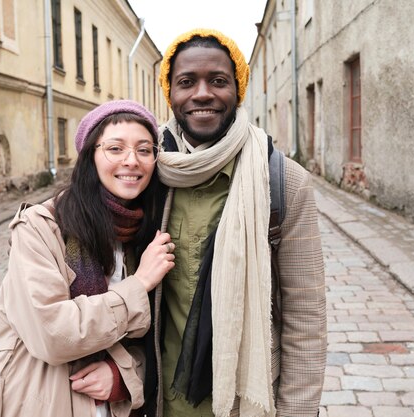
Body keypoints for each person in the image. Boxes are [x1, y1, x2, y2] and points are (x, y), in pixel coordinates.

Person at [144, 29, 327, 417]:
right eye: (186, 82)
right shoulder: (147, 174)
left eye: (219, 81)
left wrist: (297, 410)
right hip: (158, 402)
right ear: (170, 94)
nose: (202, 93)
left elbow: (306, 316)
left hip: (249, 403)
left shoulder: (282, 181)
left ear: (238, 90)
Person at [0, 100, 176, 417]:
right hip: (41, 403)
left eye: (144, 149)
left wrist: (123, 376)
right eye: (115, 148)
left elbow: (159, 339)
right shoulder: (40, 229)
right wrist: (138, 285)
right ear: (90, 156)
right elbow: (51, 333)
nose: (131, 161)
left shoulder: (149, 232)